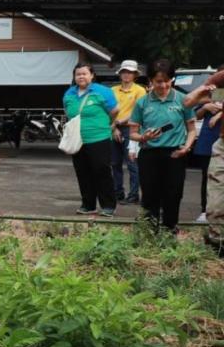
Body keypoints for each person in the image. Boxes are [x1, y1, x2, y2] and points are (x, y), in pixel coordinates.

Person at [130, 59, 197, 233]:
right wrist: (143, 136)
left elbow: (191, 130)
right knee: (150, 193)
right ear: (150, 80)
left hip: (175, 154)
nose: (164, 85)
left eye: (168, 81)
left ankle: (170, 228)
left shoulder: (183, 100)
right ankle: (150, 230)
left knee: (173, 193)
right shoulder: (142, 103)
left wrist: (187, 147)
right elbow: (133, 133)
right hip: (149, 154)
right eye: (159, 81)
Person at [63, 63, 119, 216]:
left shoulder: (103, 92)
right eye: (78, 74)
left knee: (102, 171)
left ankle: (108, 206)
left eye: (84, 73)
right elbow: (68, 111)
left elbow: (114, 111)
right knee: (82, 172)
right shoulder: (69, 93)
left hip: (99, 138)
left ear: (92, 75)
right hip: (78, 140)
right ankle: (88, 205)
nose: (81, 77)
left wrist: (106, 124)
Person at [185, 68, 224, 254]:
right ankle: (216, 238)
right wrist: (208, 102)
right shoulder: (220, 78)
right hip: (222, 144)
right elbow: (189, 101)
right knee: (215, 196)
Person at [110, 60, 146, 205]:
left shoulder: (140, 90)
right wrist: (114, 126)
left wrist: (119, 123)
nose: (126, 74)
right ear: (120, 74)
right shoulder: (112, 90)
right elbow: (109, 110)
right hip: (114, 128)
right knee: (115, 163)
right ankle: (118, 192)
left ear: (135, 74)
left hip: (132, 128)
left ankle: (133, 194)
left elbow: (137, 113)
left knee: (132, 163)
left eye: (130, 72)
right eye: (124, 71)